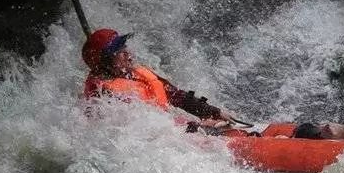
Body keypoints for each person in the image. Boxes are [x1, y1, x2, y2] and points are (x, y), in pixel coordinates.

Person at [81, 28, 235, 126]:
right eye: (119, 51)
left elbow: (175, 95)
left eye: (124, 46)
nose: (127, 53)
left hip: (170, 129)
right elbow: (147, 125)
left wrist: (211, 111)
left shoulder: (133, 73)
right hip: (148, 141)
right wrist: (196, 126)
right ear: (106, 62)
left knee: (219, 121)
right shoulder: (104, 92)